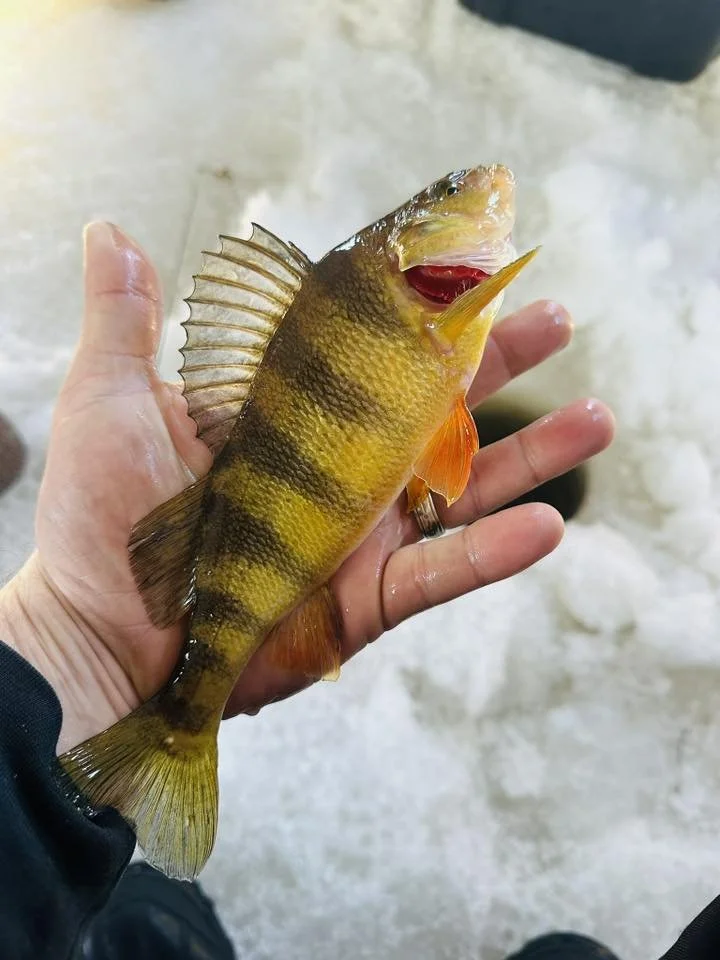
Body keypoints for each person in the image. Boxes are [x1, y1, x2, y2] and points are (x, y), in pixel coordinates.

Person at [0, 222, 709, 960]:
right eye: (442, 200)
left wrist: (69, 650)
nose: (471, 198)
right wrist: (76, 637)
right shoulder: (415, 302)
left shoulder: (421, 310)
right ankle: (162, 764)